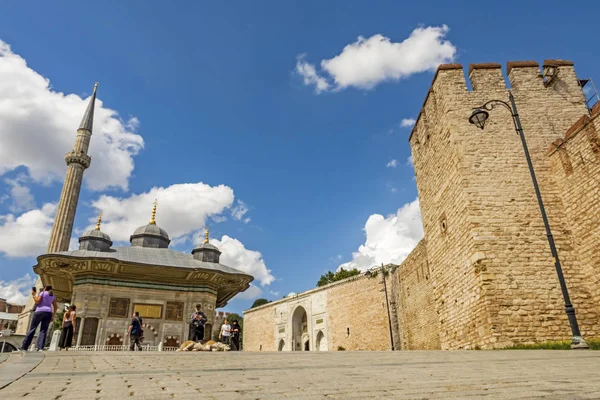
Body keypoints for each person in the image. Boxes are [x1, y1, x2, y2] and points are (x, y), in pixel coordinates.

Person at [20, 285, 57, 351]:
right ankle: (40, 348)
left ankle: (24, 346)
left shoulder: (42, 293)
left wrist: (34, 295)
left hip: (39, 311)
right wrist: (53, 316)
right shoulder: (53, 296)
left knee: (32, 329)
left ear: (45, 288)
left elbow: (37, 301)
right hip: (48, 313)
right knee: (43, 330)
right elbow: (55, 306)